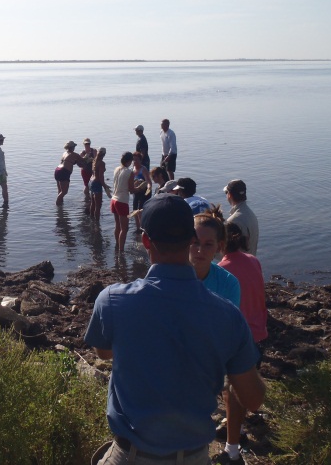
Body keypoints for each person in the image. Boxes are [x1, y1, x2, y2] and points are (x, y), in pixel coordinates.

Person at [84, 195, 265, 465]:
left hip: (129, 456)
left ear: (146, 241)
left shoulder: (112, 300)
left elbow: (104, 351)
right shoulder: (228, 316)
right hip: (192, 457)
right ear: (191, 239)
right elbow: (253, 398)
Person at [217, 222, 268, 464]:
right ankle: (235, 424)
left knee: (232, 392)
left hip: (241, 338)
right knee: (240, 389)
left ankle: (233, 449)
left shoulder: (222, 269)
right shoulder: (253, 260)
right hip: (259, 331)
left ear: (221, 243)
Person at [190, 206, 241, 307]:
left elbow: (229, 322)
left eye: (208, 244)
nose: (200, 250)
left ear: (219, 246)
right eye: (195, 242)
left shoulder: (229, 284)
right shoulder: (169, 277)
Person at [110, 152, 138, 251]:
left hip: (114, 199)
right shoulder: (130, 172)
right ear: (129, 161)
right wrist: (139, 188)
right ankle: (121, 251)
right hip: (122, 201)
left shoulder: (117, 169)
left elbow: (123, 183)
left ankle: (117, 245)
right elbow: (131, 190)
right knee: (125, 228)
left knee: (117, 225)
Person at [225, 179, 259, 256]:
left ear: (229, 195)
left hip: (237, 266)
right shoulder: (251, 214)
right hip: (251, 263)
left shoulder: (234, 221)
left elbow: (226, 251)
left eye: (226, 193)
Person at [54, 140, 86, 206]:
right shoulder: (74, 154)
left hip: (57, 170)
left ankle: (60, 207)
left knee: (60, 191)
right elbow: (83, 161)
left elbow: (69, 161)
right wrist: (88, 156)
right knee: (64, 192)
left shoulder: (64, 153)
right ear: (72, 147)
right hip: (64, 172)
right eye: (74, 147)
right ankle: (57, 206)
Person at [131, 151, 152, 232]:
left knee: (140, 210)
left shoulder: (143, 169)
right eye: (133, 160)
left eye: (136, 160)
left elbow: (149, 182)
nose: (135, 162)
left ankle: (143, 228)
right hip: (136, 192)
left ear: (140, 160)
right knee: (135, 210)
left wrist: (149, 188)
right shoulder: (132, 169)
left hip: (144, 192)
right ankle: (138, 228)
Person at [89, 147, 112, 220]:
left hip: (91, 182)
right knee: (98, 205)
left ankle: (91, 219)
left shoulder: (94, 161)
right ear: (104, 154)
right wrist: (105, 187)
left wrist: (105, 185)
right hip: (97, 183)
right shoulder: (102, 163)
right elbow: (101, 177)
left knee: (93, 203)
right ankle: (97, 223)